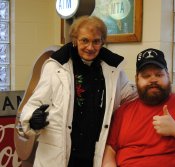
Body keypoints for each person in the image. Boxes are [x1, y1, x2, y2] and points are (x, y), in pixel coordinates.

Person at [18, 15, 138, 167]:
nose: (90, 47)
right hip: (57, 155)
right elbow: (34, 103)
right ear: (75, 40)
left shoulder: (113, 70)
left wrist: (171, 89)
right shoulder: (56, 67)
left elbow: (131, 93)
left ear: (103, 42)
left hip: (92, 153)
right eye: (85, 40)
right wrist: (32, 118)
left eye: (96, 41)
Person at [101, 48, 175, 167]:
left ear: (168, 76)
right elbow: (109, 151)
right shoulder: (123, 112)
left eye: (159, 74)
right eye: (146, 76)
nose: (153, 80)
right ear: (136, 79)